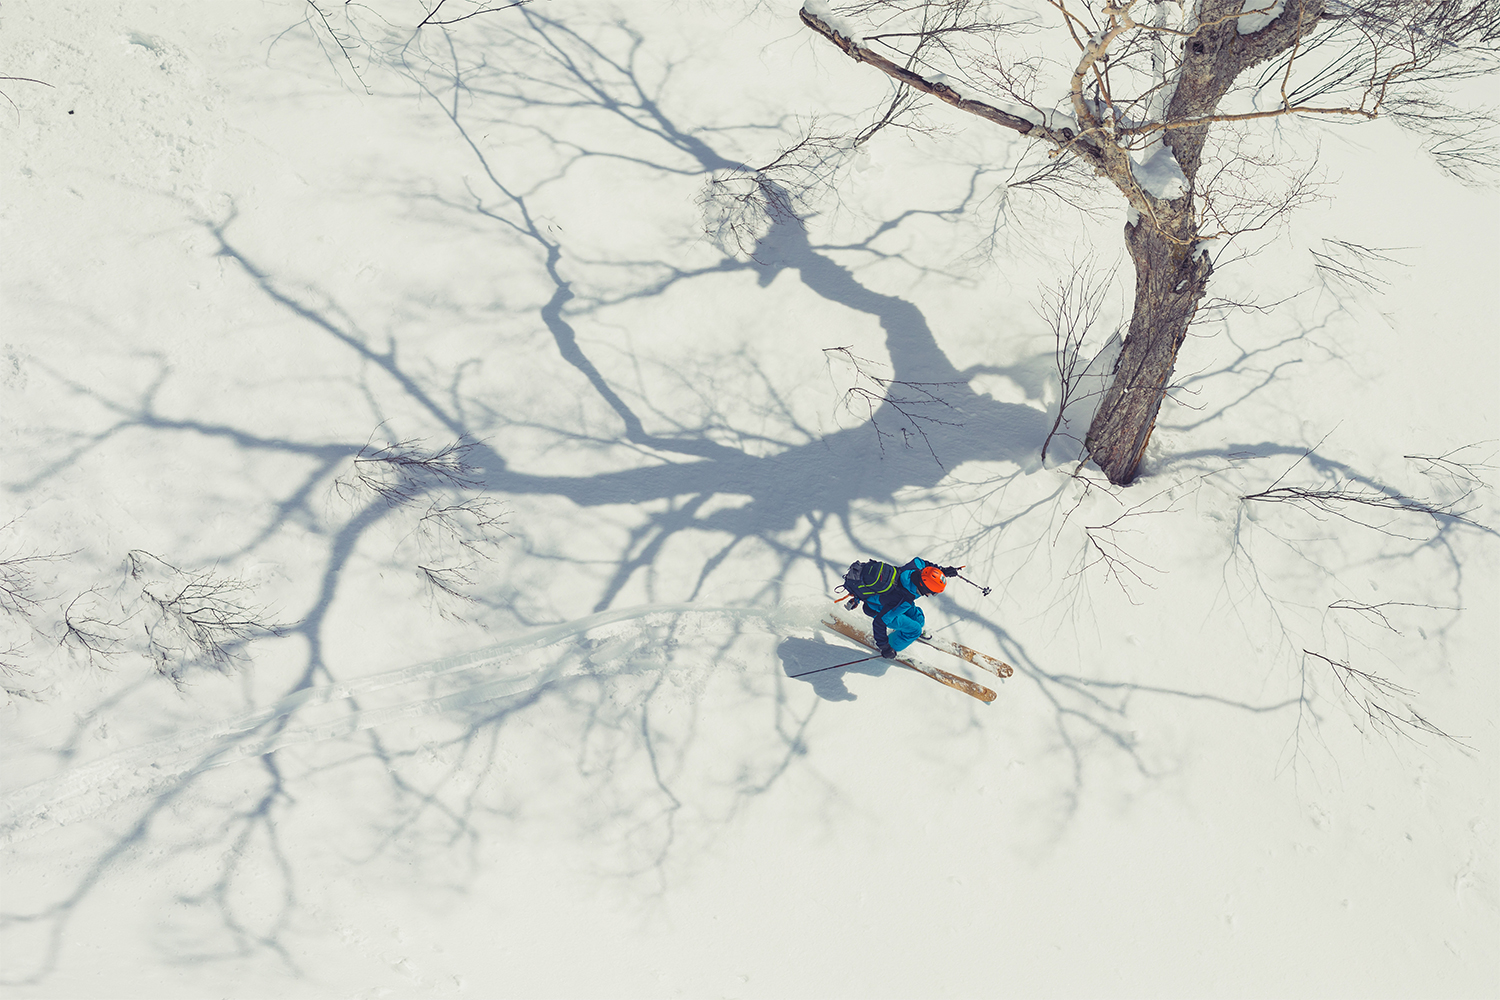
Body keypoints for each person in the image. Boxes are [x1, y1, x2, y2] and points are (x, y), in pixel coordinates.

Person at [851, 558, 961, 659]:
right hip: (877, 607)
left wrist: (942, 571)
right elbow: (879, 622)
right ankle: (893, 646)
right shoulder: (902, 600)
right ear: (924, 587)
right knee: (915, 630)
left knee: (919, 619)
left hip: (892, 602)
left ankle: (905, 632)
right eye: (933, 593)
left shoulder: (915, 568)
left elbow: (924, 565)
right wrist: (885, 647)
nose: (931, 595)